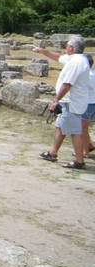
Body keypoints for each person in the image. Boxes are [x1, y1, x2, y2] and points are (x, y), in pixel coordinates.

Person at [34, 35, 91, 169]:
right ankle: (52, 153)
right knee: (60, 126)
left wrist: (56, 100)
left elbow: (67, 84)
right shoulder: (76, 58)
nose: (65, 47)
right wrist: (42, 51)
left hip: (71, 102)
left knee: (75, 131)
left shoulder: (76, 63)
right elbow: (58, 57)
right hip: (70, 102)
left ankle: (79, 161)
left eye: (66, 45)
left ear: (71, 48)